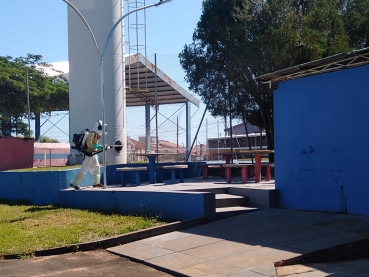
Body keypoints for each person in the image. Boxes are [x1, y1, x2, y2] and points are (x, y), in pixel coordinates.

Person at [70, 120, 107, 190]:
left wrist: (99, 147)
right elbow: (89, 144)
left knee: (97, 167)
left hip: (93, 154)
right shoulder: (92, 134)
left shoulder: (97, 134)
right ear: (99, 127)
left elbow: (94, 144)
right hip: (88, 154)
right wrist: (99, 146)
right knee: (84, 169)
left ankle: (96, 183)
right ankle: (75, 183)